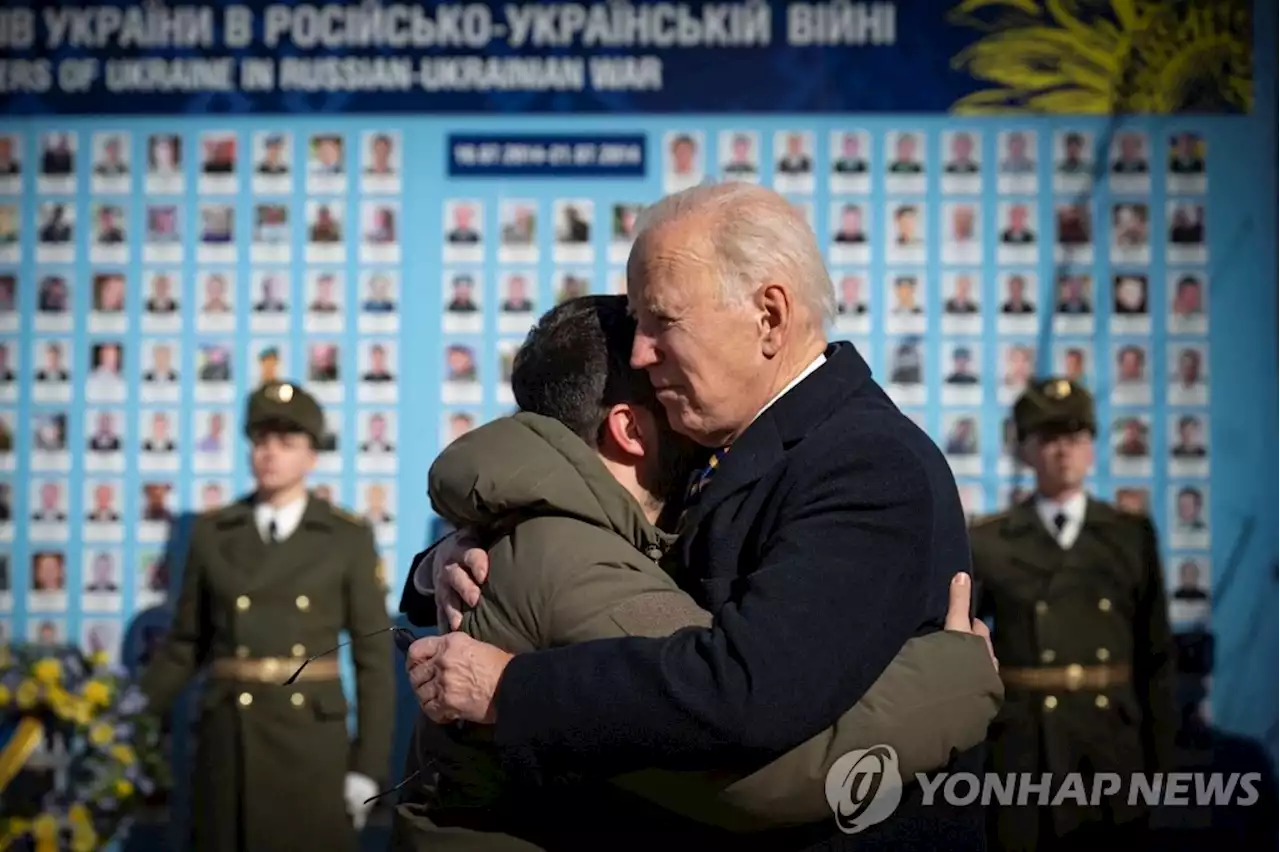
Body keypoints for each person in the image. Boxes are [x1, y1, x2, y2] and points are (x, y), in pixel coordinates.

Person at [404, 182, 994, 849]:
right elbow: (606, 536)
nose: (639, 352)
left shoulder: (865, 464)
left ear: (769, 316)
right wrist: (452, 557)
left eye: (663, 321)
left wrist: (510, 688)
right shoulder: (726, 447)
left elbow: (748, 695)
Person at [139, 381, 395, 852]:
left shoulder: (345, 538)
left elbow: (374, 659)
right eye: (261, 441)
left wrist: (367, 769)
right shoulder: (213, 534)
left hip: (311, 750)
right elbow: (183, 647)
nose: (269, 454)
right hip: (228, 745)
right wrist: (125, 721)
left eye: (286, 442)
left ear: (311, 456)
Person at [969, 378, 1176, 851]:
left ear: (1093, 448)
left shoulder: (1129, 536)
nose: (1064, 451)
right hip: (1025, 751)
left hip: (1112, 748)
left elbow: (1157, 656)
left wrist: (1161, 768)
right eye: (1048, 438)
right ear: (1024, 450)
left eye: (1077, 436)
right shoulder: (989, 542)